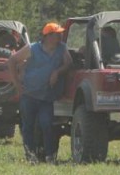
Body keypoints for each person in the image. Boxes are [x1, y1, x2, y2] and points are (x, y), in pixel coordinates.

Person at [9, 21, 72, 163]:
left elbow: (68, 63)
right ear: (48, 36)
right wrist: (17, 85)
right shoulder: (33, 48)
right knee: (28, 126)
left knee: (47, 124)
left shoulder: (61, 48)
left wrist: (57, 71)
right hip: (29, 95)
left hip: (47, 97)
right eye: (57, 34)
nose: (60, 36)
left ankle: (50, 156)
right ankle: (30, 155)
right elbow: (12, 61)